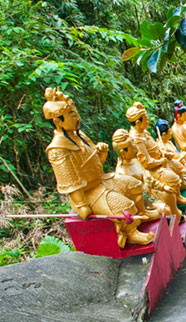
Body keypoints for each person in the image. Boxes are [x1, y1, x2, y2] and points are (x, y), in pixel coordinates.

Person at [42, 88, 153, 248]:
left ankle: (141, 215)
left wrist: (101, 155)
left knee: (134, 185)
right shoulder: (58, 149)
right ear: (59, 122)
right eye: (72, 115)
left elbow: (94, 164)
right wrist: (82, 206)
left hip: (102, 181)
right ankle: (130, 232)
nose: (78, 118)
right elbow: (70, 183)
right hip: (88, 193)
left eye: (76, 113)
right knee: (123, 206)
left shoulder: (80, 136)